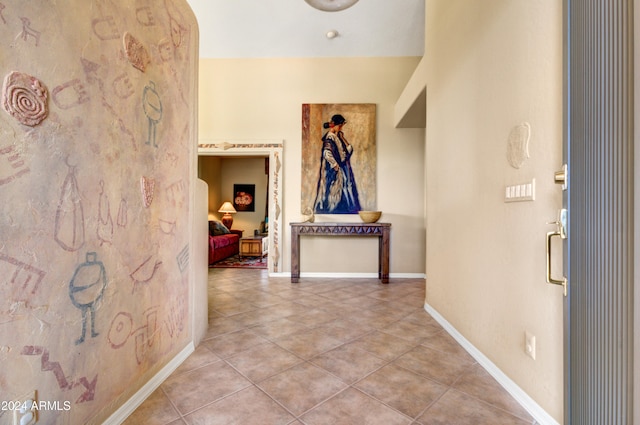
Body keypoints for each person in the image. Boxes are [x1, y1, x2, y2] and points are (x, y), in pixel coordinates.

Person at [313, 114, 361, 213]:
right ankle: (334, 209)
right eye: (340, 126)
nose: (340, 128)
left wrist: (343, 138)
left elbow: (348, 150)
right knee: (334, 190)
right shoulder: (330, 137)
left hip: (342, 167)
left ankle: (344, 209)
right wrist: (335, 165)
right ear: (334, 125)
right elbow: (327, 153)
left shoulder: (337, 137)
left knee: (345, 187)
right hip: (334, 170)